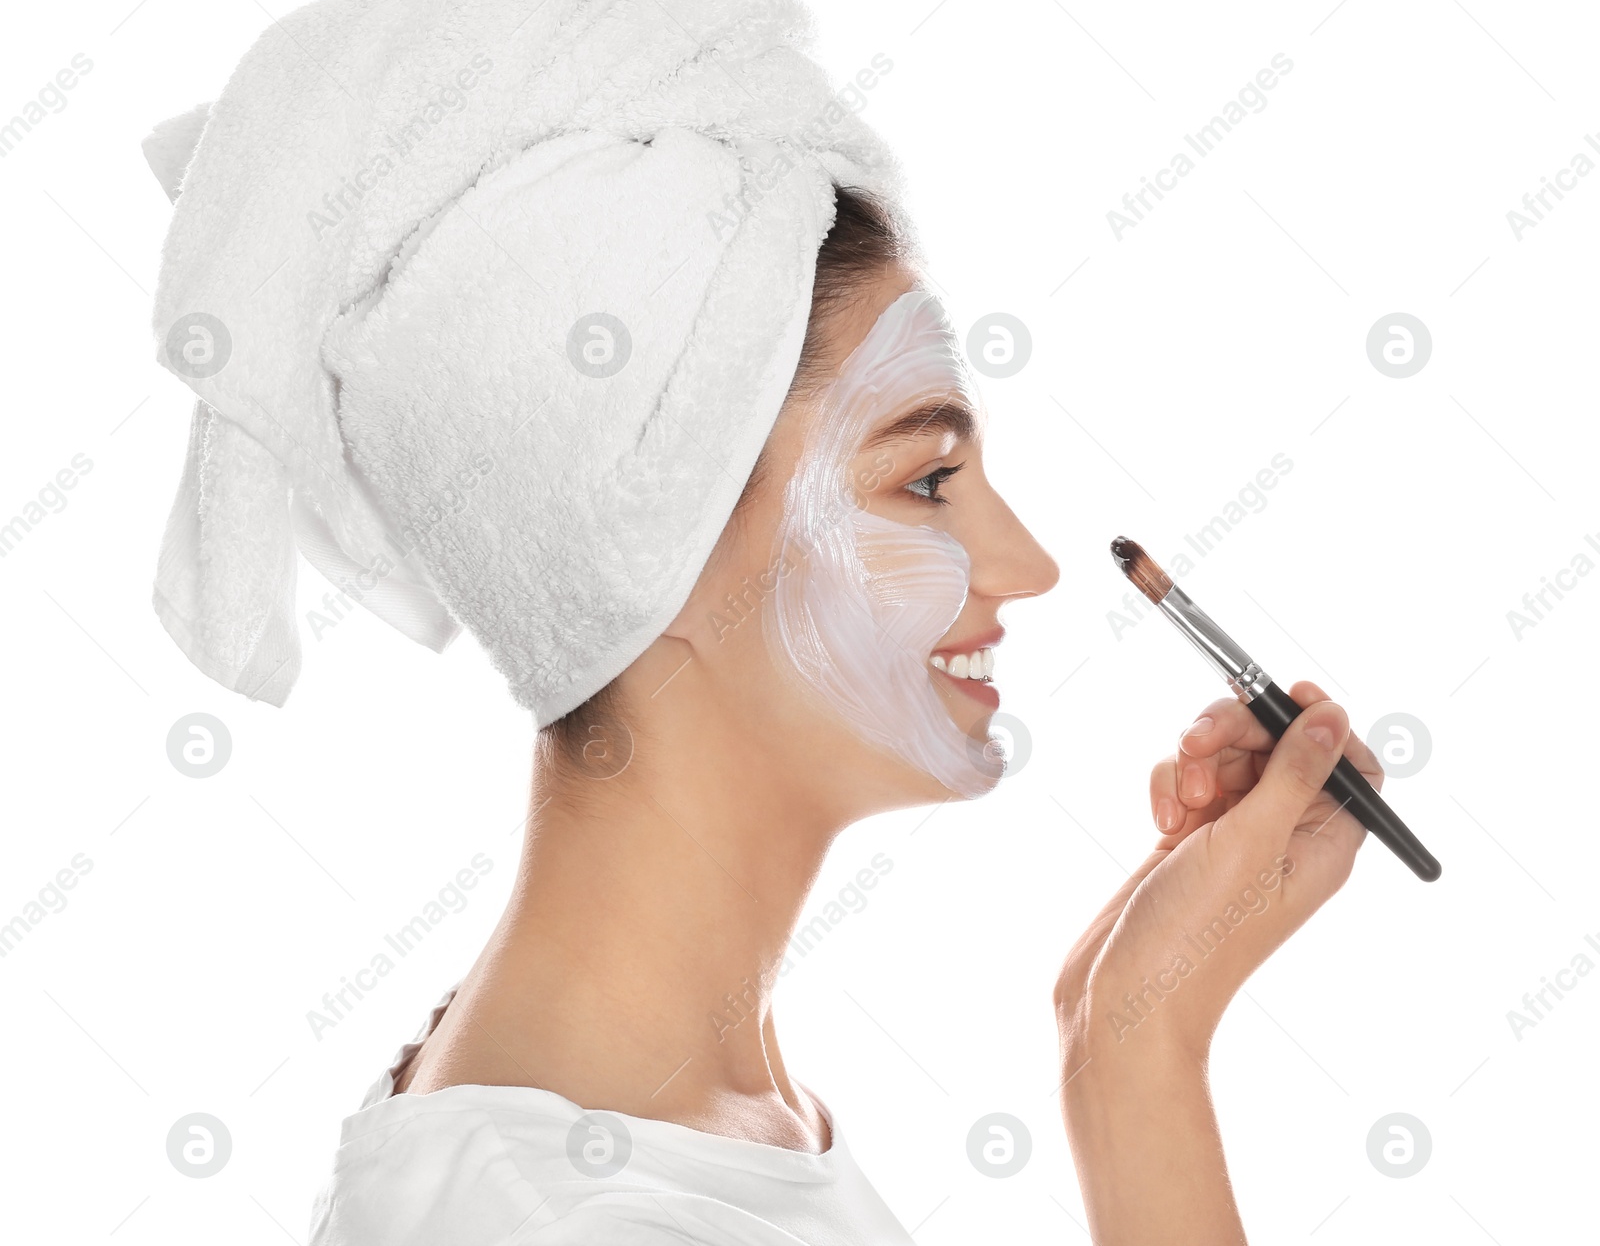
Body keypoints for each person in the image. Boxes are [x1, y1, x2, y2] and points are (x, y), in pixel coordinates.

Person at [308, 188, 1387, 1245]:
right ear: (647, 558)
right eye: (926, 482)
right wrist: (1144, 1068)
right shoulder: (576, 1218)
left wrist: (1120, 1025)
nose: (1029, 565)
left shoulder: (690, 1120)